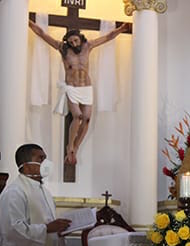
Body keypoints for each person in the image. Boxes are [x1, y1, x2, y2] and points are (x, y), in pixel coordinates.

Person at [28, 20, 130, 165]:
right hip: (72, 88)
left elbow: (108, 37)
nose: (74, 44)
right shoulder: (62, 48)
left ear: (80, 38)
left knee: (87, 119)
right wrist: (29, 22)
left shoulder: (88, 46)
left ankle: (76, 147)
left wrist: (121, 29)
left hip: (86, 87)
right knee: (78, 116)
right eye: (70, 42)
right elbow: (42, 33)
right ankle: (70, 146)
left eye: (75, 40)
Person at [0, 144, 71, 246]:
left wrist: (59, 231)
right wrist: (47, 229)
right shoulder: (14, 192)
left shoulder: (45, 192)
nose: (46, 162)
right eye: (40, 158)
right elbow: (12, 229)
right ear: (26, 166)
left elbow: (48, 226)